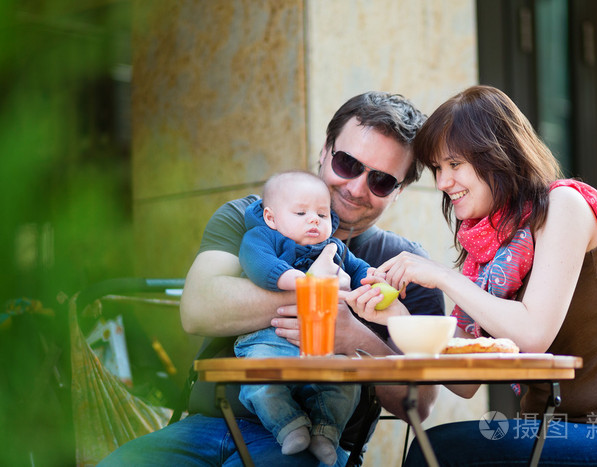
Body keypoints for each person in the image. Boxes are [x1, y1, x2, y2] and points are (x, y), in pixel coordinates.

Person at [99, 91, 445, 467]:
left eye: (380, 180)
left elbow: (420, 406)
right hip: (205, 425)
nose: (357, 187)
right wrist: (315, 293)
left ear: (399, 192)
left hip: (314, 444)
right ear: (325, 152)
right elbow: (198, 308)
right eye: (347, 164)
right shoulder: (252, 217)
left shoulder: (404, 266)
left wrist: (355, 339)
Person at [356, 85, 597, 466]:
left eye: (454, 165)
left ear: (498, 155)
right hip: (547, 430)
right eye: (438, 169)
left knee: (438, 449)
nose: (441, 183)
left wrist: (443, 276)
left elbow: (533, 334)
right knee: (434, 446)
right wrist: (396, 319)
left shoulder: (563, 205)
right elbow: (466, 382)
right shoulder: (491, 245)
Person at [236, 170, 383, 465]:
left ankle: (325, 434)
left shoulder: (335, 247)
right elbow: (259, 264)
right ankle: (288, 426)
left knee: (345, 379)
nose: (314, 220)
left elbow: (357, 269)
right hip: (269, 339)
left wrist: (374, 278)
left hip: (320, 346)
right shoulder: (262, 236)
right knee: (259, 378)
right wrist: (303, 282)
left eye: (322, 213)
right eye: (301, 212)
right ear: (271, 218)